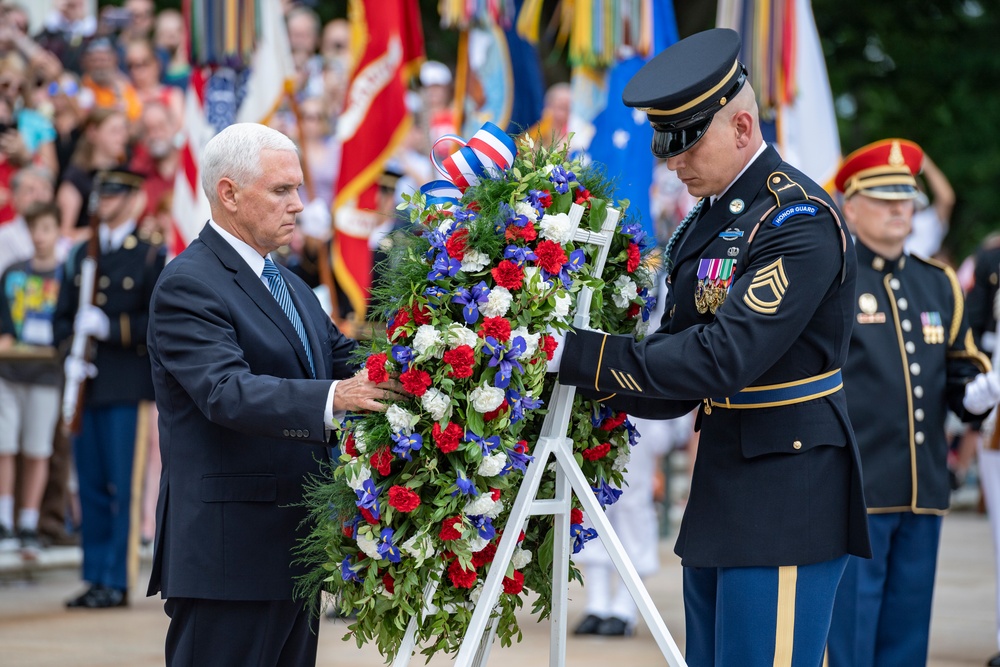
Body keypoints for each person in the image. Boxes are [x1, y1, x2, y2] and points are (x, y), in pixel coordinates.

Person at [552, 28, 871, 666]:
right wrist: (576, 386)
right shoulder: (710, 219)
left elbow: (722, 356)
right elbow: (675, 358)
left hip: (788, 490)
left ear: (743, 128)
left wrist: (579, 355)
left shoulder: (798, 219)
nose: (673, 162)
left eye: (688, 144)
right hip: (726, 486)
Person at [145, 123, 403, 667]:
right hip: (229, 556)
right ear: (229, 193)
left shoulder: (281, 278)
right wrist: (337, 398)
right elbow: (225, 391)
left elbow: (341, 356)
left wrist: (435, 366)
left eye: (299, 188)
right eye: (282, 190)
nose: (300, 205)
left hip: (293, 548)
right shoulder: (189, 282)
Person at [824, 138, 995, 666]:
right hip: (859, 489)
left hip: (923, 488)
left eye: (906, 198)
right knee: (853, 637)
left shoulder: (937, 282)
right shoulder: (833, 277)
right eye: (885, 198)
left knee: (906, 636)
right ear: (850, 206)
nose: (902, 209)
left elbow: (961, 371)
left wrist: (980, 393)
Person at [53, 166, 164, 609]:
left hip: (127, 387)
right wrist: (72, 354)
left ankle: (116, 580)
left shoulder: (149, 256)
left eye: (115, 193)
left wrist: (110, 328)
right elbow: (63, 317)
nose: (105, 201)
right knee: (92, 484)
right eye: (103, 193)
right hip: (89, 386)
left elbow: (155, 323)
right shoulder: (82, 253)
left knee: (123, 485)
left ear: (134, 198)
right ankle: (94, 574)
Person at [0, 201, 63, 559]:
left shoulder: (65, 275)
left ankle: (28, 521)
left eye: (46, 229)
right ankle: (4, 519)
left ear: (57, 232)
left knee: (38, 448)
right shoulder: (12, 272)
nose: (39, 237)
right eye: (33, 229)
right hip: (9, 371)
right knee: (5, 446)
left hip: (46, 374)